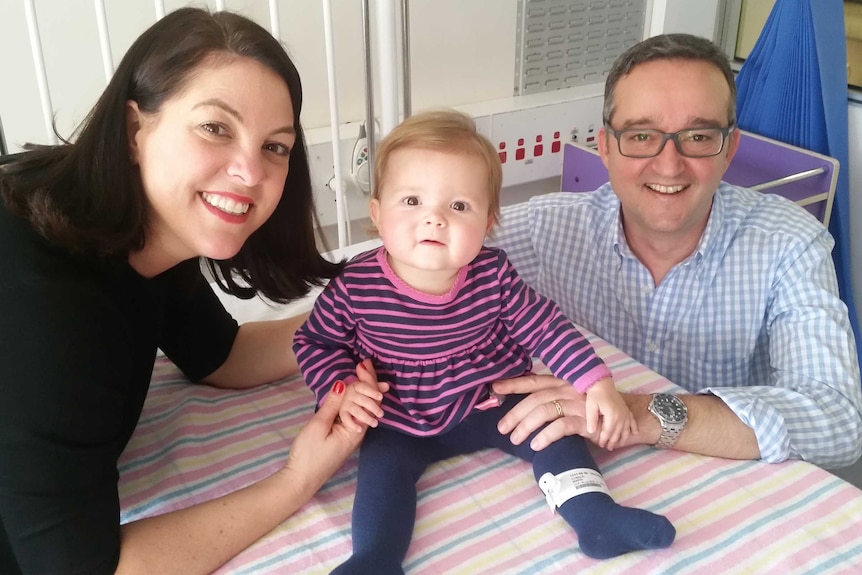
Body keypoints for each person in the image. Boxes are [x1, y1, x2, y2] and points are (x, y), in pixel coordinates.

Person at [0, 8, 385, 575]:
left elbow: (219, 355)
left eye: (275, 147)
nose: (250, 172)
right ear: (136, 131)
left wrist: (366, 316)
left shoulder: (139, 230)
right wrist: (297, 479)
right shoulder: (47, 304)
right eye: (216, 127)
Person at [292, 110, 676, 572]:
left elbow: (544, 326)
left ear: (488, 222)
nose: (434, 219)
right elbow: (314, 343)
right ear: (377, 213)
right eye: (412, 200)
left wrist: (596, 383)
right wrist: (342, 387)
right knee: (381, 473)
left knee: (554, 431)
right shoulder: (356, 286)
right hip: (398, 414)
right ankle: (375, 556)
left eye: (458, 206)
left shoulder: (492, 274)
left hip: (490, 399)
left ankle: (595, 517)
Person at [486, 33, 862, 470]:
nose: (669, 164)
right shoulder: (545, 228)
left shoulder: (789, 243)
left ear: (729, 148)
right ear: (605, 147)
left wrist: (640, 413)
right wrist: (381, 351)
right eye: (642, 135)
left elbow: (839, 423)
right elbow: (402, 258)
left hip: (727, 493)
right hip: (594, 475)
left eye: (699, 136)